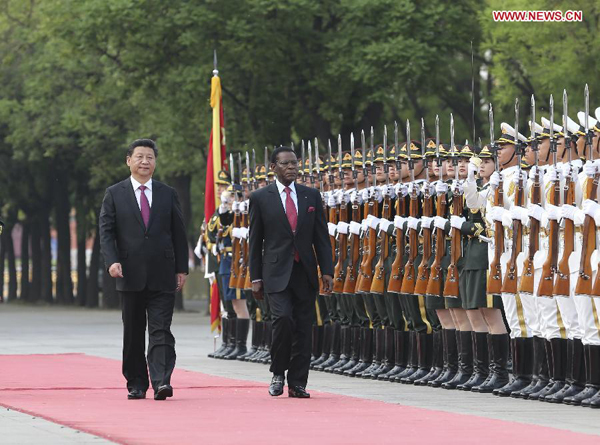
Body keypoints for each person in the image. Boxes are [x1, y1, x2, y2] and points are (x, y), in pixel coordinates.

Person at [99, 138, 188, 401]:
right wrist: (111, 260)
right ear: (129, 161)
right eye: (139, 157)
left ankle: (161, 381)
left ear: (155, 162)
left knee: (161, 329)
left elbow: (179, 233)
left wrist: (181, 268)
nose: (145, 162)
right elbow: (106, 232)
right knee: (134, 332)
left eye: (149, 157)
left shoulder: (167, 193)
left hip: (163, 272)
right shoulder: (114, 193)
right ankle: (136, 383)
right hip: (129, 273)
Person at [249, 145, 334, 398]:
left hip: (304, 271)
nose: (292, 168)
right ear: (273, 167)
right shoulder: (260, 198)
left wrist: (326, 270)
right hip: (275, 272)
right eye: (285, 164)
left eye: (295, 163)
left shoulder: (311, 196)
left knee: (303, 328)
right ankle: (278, 373)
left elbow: (321, 237)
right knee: (283, 320)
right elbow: (255, 241)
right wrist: (255, 277)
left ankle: (298, 382)